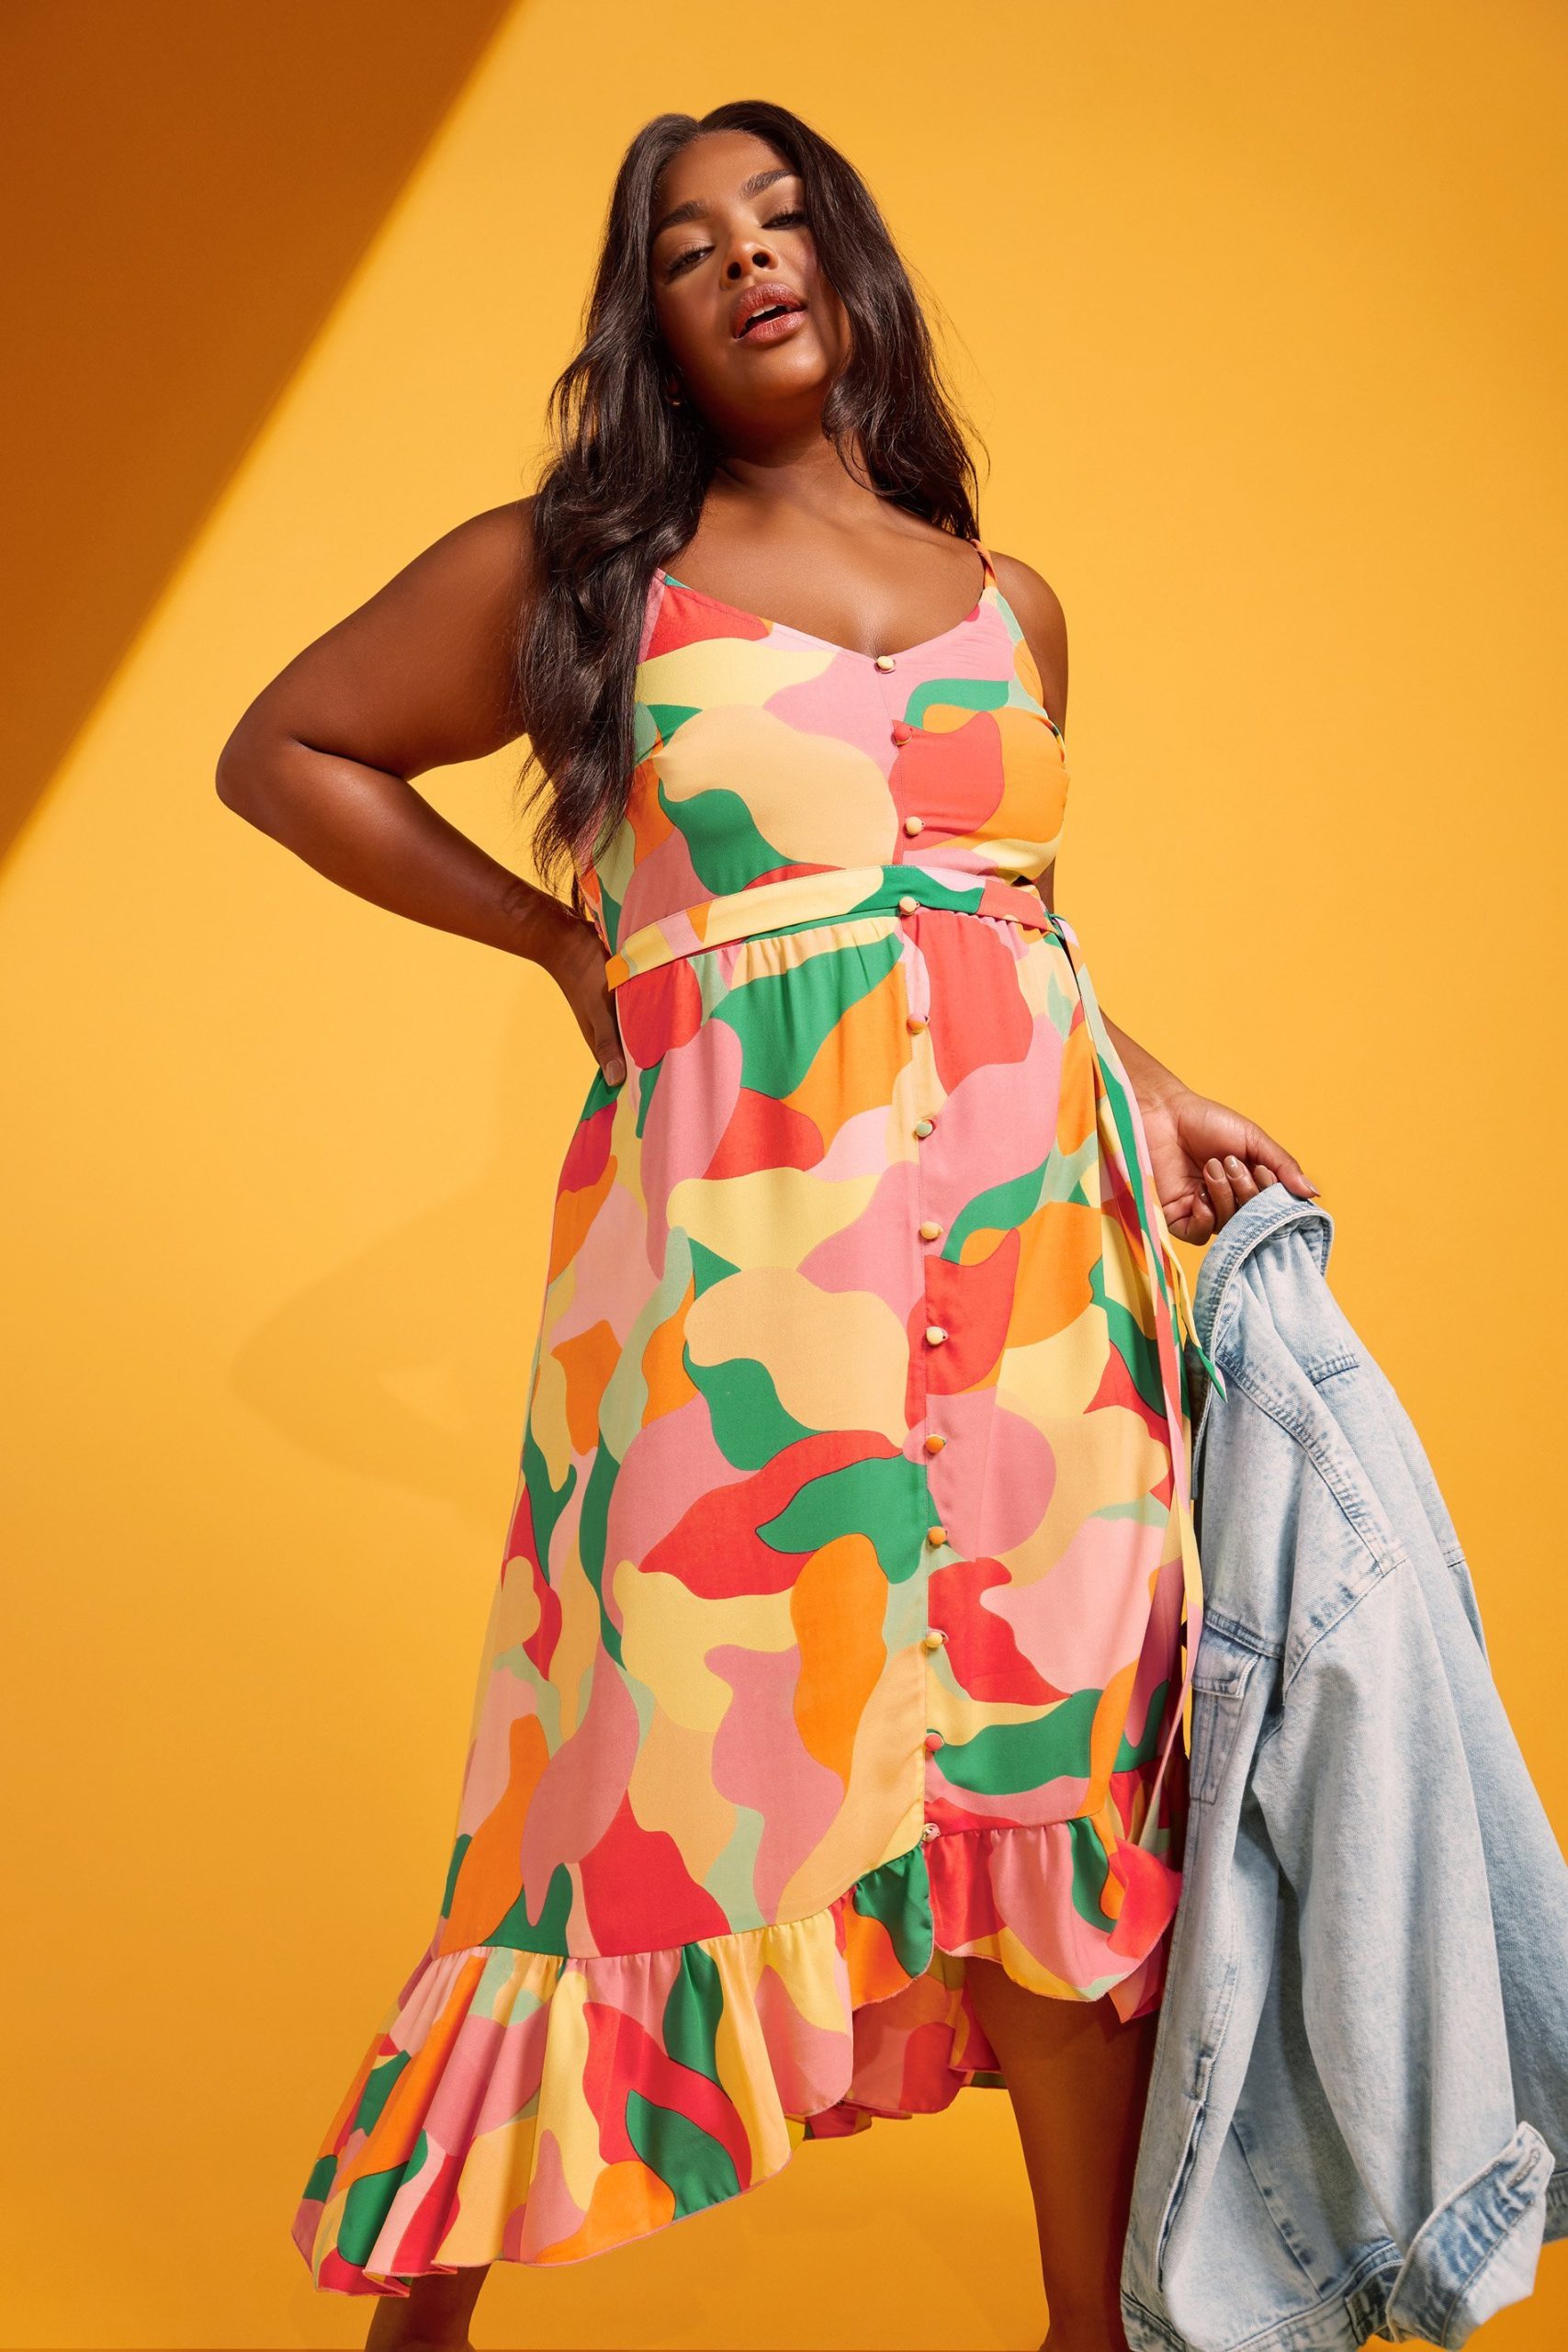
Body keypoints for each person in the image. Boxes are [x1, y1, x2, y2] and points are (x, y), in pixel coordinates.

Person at [217, 97, 1315, 2352]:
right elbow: (288, 748)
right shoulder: (584, 578)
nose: (745, 257)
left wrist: (1158, 1087)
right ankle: (416, 2329)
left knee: (1044, 1770)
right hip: (737, 1300)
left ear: (848, 263)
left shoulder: (1007, 602)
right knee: (625, 1786)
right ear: (654, 318)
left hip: (1036, 1301)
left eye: (782, 216)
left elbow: (1004, 928)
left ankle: (1090, 2329)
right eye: (690, 243)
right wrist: (557, 938)